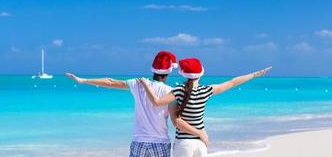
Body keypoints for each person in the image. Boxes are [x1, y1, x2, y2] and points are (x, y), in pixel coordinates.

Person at [66, 51, 205, 157]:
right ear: (168, 72)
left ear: (153, 70)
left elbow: (110, 82)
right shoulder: (170, 92)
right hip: (160, 143)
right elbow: (176, 120)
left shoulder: (137, 84)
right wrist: (199, 133)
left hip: (138, 141)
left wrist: (83, 80)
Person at [138, 57, 272, 157]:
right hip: (201, 144)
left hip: (184, 144)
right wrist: (255, 74)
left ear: (183, 73)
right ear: (201, 73)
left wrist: (145, 85)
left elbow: (156, 102)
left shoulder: (178, 90)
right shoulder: (206, 90)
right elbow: (232, 82)